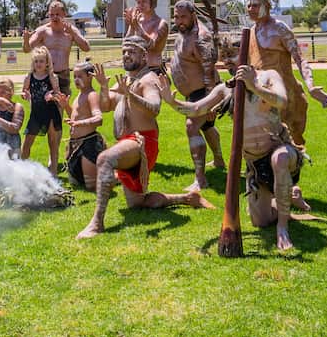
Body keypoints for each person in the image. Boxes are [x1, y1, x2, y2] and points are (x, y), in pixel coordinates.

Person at [75, 37, 213, 240]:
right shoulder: (127, 80)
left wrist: (130, 95)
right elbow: (105, 106)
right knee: (138, 204)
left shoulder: (149, 79)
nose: (126, 55)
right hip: (126, 144)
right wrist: (104, 87)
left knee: (104, 159)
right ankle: (187, 198)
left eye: (131, 51)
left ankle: (97, 223)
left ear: (144, 55)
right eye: (124, 51)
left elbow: (155, 108)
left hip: (142, 142)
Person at [166, 64, 311, 251]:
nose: (231, 66)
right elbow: (196, 109)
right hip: (255, 163)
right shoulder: (226, 89)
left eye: (233, 58)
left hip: (282, 150)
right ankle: (291, 196)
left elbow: (282, 101)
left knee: (280, 158)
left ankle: (282, 228)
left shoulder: (268, 76)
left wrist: (254, 86)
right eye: (227, 62)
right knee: (260, 221)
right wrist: (172, 103)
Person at [243, 0, 327, 147]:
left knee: (286, 145)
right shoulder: (251, 32)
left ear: (267, 6)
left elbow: (300, 59)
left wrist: (310, 86)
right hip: (260, 95)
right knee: (260, 143)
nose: (250, 9)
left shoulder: (279, 29)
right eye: (248, 5)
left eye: (255, 5)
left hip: (284, 97)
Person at [166, 0, 225, 191]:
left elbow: (208, 69)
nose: (179, 21)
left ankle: (200, 179)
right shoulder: (184, 32)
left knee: (192, 126)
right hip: (193, 92)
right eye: (176, 17)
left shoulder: (201, 37)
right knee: (207, 127)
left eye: (183, 17)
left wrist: (211, 103)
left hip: (205, 91)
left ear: (193, 15)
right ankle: (218, 161)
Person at [22, 0, 91, 96]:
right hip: (44, 74)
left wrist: (73, 35)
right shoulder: (42, 31)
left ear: (64, 14)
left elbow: (86, 48)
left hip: (63, 75)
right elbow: (26, 49)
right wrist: (25, 40)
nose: (54, 17)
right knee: (43, 105)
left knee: (61, 106)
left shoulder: (71, 30)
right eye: (51, 15)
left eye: (57, 14)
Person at [21, 47, 64, 175]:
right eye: (36, 61)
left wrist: (52, 97)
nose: (38, 64)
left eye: (41, 61)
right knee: (28, 141)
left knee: (53, 142)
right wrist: (25, 95)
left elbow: (58, 94)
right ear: (33, 63)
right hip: (36, 113)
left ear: (47, 63)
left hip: (51, 112)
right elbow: (24, 91)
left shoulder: (52, 77)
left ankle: (53, 172)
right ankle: (22, 169)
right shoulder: (29, 77)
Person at [64, 61, 105, 191]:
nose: (76, 79)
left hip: (88, 144)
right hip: (74, 144)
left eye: (80, 76)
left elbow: (99, 119)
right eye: (74, 76)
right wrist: (65, 106)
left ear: (90, 76)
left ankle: (116, 176)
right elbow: (75, 118)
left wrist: (79, 123)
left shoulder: (91, 95)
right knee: (76, 184)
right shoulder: (79, 96)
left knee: (91, 186)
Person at [123, 0, 169, 79]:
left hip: (154, 69)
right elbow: (126, 44)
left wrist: (137, 26)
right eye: (138, 2)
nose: (140, 5)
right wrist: (132, 26)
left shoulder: (161, 23)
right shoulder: (137, 21)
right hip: (136, 68)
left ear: (152, 3)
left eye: (144, 2)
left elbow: (151, 45)